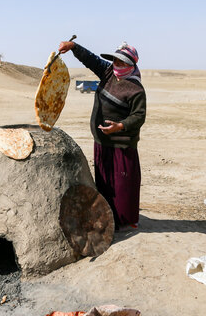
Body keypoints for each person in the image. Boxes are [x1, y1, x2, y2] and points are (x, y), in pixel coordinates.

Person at [58, 40, 146, 231]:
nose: (118, 66)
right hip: (102, 142)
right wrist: (73, 46)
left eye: (123, 63)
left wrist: (120, 126)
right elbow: (90, 59)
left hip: (122, 145)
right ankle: (109, 217)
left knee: (123, 185)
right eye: (116, 61)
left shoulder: (136, 89)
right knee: (105, 183)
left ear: (132, 65)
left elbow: (139, 116)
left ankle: (127, 220)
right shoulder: (108, 72)